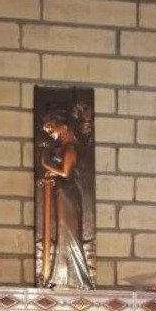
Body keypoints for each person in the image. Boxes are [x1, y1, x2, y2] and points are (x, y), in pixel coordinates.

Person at [37, 105, 95, 290]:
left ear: (63, 127)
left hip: (69, 195)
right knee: (63, 232)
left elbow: (65, 172)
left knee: (69, 233)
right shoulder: (62, 147)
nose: (50, 134)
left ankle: (79, 278)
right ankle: (61, 276)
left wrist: (45, 163)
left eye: (51, 129)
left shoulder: (69, 147)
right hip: (62, 193)